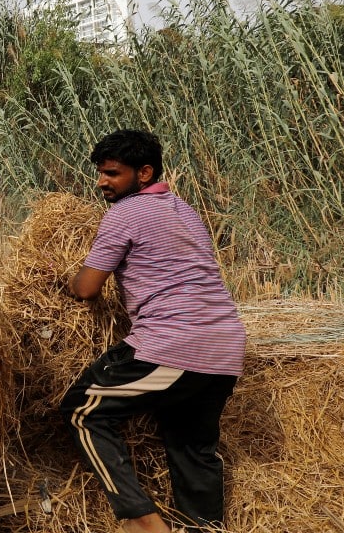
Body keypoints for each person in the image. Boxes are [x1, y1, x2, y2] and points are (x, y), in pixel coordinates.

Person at [61, 129, 246, 533]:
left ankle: (139, 519)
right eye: (100, 173)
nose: (101, 182)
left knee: (81, 409)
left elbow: (88, 289)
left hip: (174, 344)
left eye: (112, 173)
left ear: (144, 173)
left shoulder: (124, 214)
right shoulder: (184, 210)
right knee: (191, 447)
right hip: (226, 348)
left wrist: (67, 281)